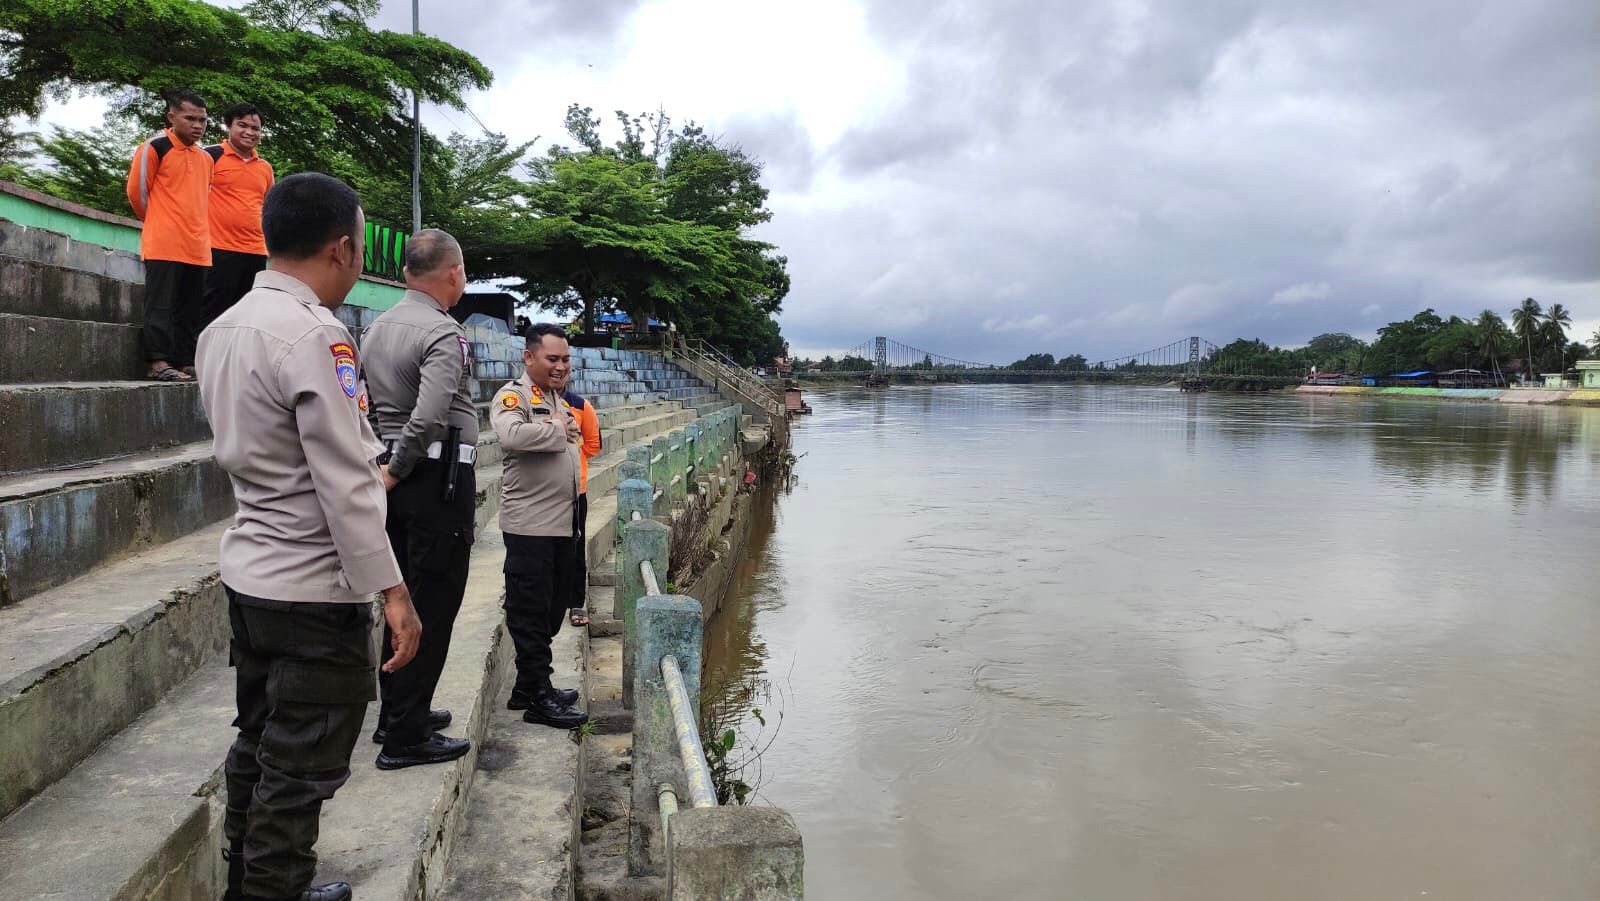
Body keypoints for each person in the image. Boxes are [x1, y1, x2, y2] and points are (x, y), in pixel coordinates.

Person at [195, 172, 422, 901]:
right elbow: (348, 478)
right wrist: (393, 589)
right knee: (298, 773)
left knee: (258, 746)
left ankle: (248, 885)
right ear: (342, 247)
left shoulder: (221, 328)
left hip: (252, 576)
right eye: (358, 250)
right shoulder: (316, 335)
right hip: (310, 591)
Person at [360, 229, 478, 770]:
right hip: (432, 481)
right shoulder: (442, 333)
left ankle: (400, 712)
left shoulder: (377, 327)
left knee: (402, 600)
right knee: (431, 604)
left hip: (397, 475)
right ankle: (406, 734)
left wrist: (388, 466)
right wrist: (398, 467)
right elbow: (428, 415)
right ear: (452, 273)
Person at [491, 323, 587, 729]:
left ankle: (527, 686)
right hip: (530, 525)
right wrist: (555, 429)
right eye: (552, 359)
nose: (561, 366)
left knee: (551, 609)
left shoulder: (555, 397)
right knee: (530, 610)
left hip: (560, 524)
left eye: (565, 359)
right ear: (529, 357)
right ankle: (538, 696)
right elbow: (510, 435)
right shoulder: (514, 396)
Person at [127, 89, 214, 382]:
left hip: (199, 245)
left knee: (191, 308)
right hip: (164, 242)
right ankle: (158, 362)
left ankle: (185, 360)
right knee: (160, 306)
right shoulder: (155, 147)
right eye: (190, 118)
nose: (198, 125)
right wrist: (159, 221)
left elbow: (204, 198)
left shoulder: (205, 158)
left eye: (202, 120)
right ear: (172, 117)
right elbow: (137, 192)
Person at [201, 102, 274, 327]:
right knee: (212, 309)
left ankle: (235, 360)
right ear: (228, 127)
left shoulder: (264, 168)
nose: (249, 132)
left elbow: (268, 206)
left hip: (255, 251)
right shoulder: (210, 157)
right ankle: (200, 359)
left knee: (246, 313)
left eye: (256, 128)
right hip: (217, 248)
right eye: (242, 125)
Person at [560, 385, 601, 627]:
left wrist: (573, 455)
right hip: (542, 491)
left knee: (575, 545)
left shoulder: (580, 405)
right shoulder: (527, 400)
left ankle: (576, 601)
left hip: (576, 490)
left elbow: (594, 443)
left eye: (563, 362)